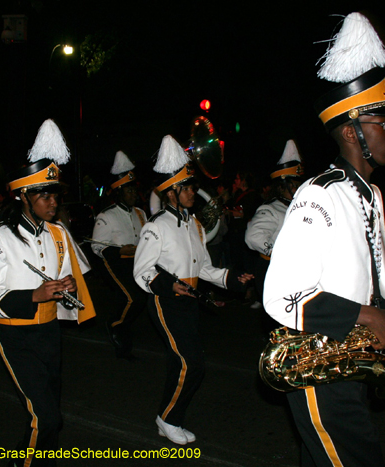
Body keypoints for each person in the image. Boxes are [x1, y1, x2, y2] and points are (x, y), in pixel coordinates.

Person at [263, 13, 385, 466]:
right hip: (319, 370)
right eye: (384, 123)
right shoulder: (318, 194)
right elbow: (281, 296)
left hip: (351, 363)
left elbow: (366, 281)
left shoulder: (372, 194)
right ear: (350, 130)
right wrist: (367, 315)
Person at [0, 119, 95, 467]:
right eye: (44, 194)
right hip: (14, 335)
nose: (53, 201)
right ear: (22, 196)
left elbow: (66, 277)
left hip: (50, 331)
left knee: (50, 411)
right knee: (45, 416)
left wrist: (65, 286)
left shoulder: (57, 233)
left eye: (55, 193)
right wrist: (34, 295)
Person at [133, 135, 253, 445]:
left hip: (189, 302)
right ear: (171, 192)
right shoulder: (155, 226)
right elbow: (141, 272)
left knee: (181, 362)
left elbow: (202, 268)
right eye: (186, 188)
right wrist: (167, 284)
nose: (191, 192)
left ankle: (167, 418)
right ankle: (168, 419)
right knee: (192, 363)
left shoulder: (194, 224)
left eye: (190, 186)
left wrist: (231, 278)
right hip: (165, 302)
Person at [91, 151, 147, 359]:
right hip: (115, 264)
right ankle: (115, 325)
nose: (134, 194)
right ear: (120, 192)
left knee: (141, 299)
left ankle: (122, 323)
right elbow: (96, 247)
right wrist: (119, 250)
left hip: (137, 263)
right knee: (134, 298)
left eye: (135, 189)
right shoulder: (107, 216)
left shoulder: (141, 214)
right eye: (129, 190)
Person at [245, 139, 304, 314]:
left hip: (293, 269)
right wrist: (277, 253)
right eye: (294, 185)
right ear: (282, 186)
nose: (298, 188)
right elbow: (253, 237)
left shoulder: (294, 205)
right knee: (281, 318)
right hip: (274, 270)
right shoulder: (271, 208)